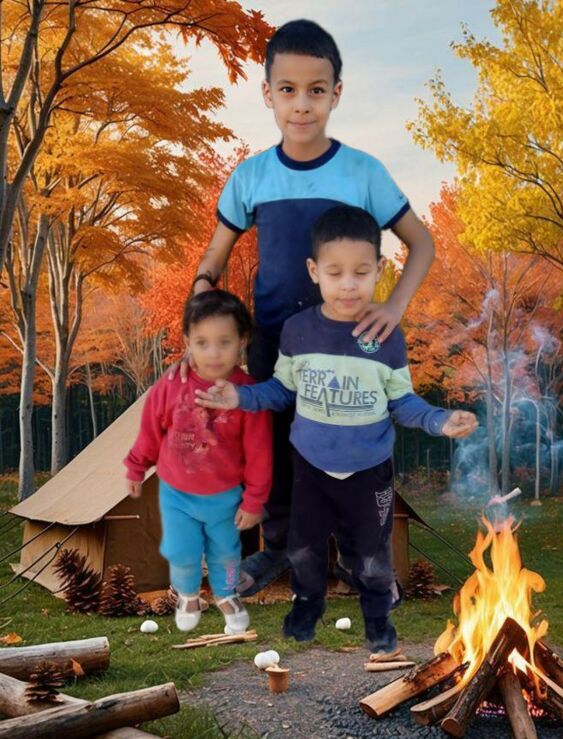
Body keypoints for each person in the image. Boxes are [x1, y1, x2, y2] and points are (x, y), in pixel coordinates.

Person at [172, 19, 436, 598]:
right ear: (267, 94)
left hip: (351, 342)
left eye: (316, 90)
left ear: (336, 94)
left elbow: (422, 243)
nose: (301, 104)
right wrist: (201, 292)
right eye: (287, 89)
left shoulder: (364, 172)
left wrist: (394, 306)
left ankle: (361, 561)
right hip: (276, 338)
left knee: (353, 448)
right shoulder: (251, 176)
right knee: (274, 447)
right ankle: (276, 552)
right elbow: (215, 255)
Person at [196, 206, 477, 652]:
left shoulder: (387, 335)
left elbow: (402, 402)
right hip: (311, 466)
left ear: (379, 270)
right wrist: (240, 397)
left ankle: (379, 625)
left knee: (371, 556)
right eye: (335, 273)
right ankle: (306, 609)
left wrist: (440, 420)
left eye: (361, 273)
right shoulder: (297, 331)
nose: (348, 284)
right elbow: (281, 391)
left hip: (370, 469)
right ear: (314, 271)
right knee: (304, 549)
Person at [124, 291, 272, 632]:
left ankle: (227, 594)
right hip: (177, 492)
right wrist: (136, 465)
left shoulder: (247, 394)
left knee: (226, 552)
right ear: (188, 342)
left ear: (242, 341)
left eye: (224, 342)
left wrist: (254, 500)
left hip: (225, 495)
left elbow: (260, 453)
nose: (214, 353)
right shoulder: (170, 386)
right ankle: (188, 595)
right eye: (202, 343)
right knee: (182, 551)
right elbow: (150, 431)